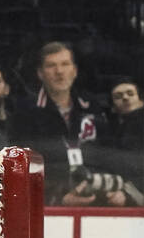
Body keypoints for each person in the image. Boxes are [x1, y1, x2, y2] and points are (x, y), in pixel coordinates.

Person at [10, 42, 118, 206]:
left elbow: (109, 155)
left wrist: (113, 189)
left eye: (65, 64)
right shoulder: (25, 113)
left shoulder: (92, 106)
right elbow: (20, 170)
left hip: (97, 200)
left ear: (74, 71)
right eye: (51, 66)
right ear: (40, 73)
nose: (59, 71)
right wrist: (57, 198)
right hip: (49, 207)